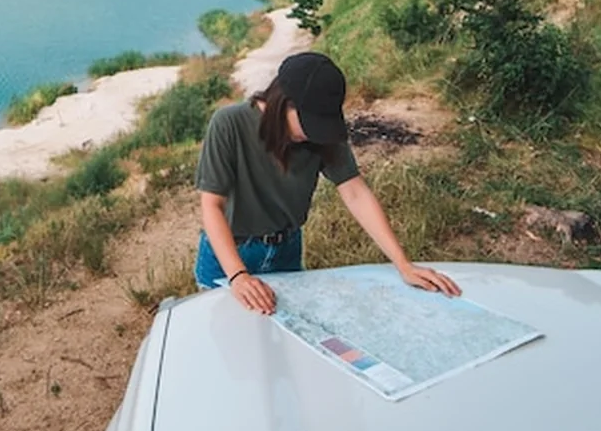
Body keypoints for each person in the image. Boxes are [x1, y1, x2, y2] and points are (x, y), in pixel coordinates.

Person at [194, 51, 461, 314]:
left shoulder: (323, 132)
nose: (315, 133)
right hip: (228, 256)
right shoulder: (229, 123)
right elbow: (211, 206)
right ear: (284, 103)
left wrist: (404, 265)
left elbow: (355, 192)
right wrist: (238, 275)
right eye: (309, 123)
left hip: (285, 251)